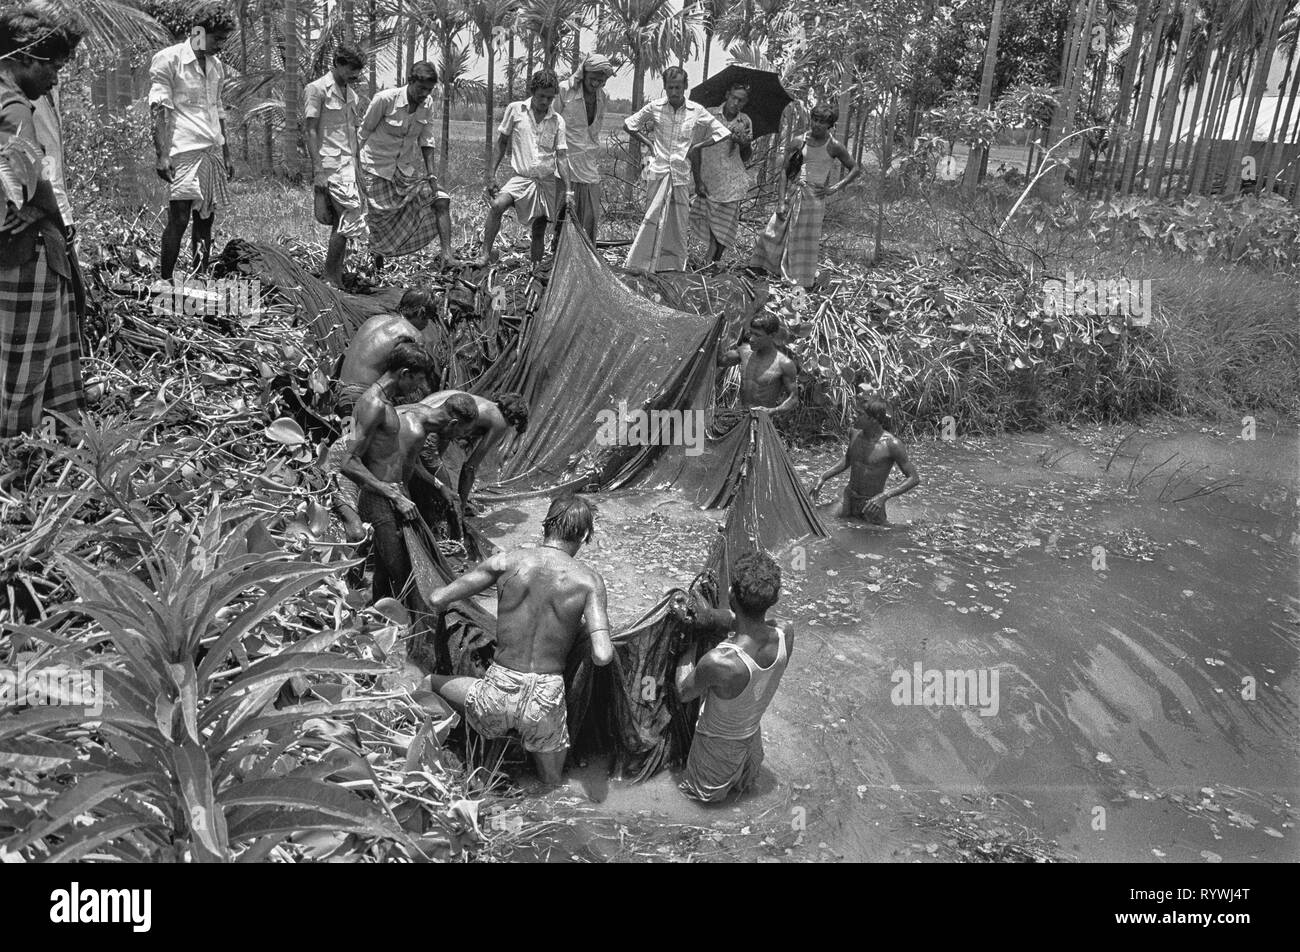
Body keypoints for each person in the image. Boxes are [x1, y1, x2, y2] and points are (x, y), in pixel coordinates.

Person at [427, 495, 614, 787]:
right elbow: (603, 655)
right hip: (545, 700)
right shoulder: (589, 581)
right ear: (585, 535)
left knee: (428, 683)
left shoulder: (506, 561)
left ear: (545, 525)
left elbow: (437, 598)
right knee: (552, 785)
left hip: (496, 692)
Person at [0, 4, 84, 438]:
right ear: (24, 58)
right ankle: (19, 455)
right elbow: (32, 181)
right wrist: (44, 207)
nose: (55, 77)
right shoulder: (14, 107)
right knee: (26, 364)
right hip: (22, 254)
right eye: (52, 65)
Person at [675, 551, 793, 803]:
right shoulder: (785, 634)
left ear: (730, 595)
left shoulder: (720, 662)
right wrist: (710, 617)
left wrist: (686, 647)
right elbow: (744, 623)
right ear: (773, 599)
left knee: (696, 811)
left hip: (715, 754)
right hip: (751, 746)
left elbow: (684, 692)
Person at [342, 388, 478, 602]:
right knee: (400, 570)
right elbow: (378, 470)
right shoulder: (412, 427)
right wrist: (398, 499)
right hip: (380, 497)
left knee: (385, 568)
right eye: (459, 434)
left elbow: (410, 463)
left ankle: (377, 614)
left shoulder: (422, 419)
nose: (456, 440)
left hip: (393, 496)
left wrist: (439, 485)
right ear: (452, 424)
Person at [149, 2, 235, 280]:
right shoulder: (169, 60)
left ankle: (199, 277)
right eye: (217, 39)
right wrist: (162, 155)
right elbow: (159, 109)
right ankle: (166, 280)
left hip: (210, 152)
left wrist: (227, 154)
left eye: (224, 39)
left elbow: (218, 109)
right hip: (183, 151)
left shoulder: (216, 67)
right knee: (179, 218)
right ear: (199, 32)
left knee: (205, 220)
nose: (220, 45)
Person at [623, 67, 732, 274]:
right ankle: (642, 264)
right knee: (652, 217)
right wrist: (649, 144)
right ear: (665, 87)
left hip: (681, 173)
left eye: (678, 87)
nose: (674, 92)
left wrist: (698, 146)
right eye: (670, 87)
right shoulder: (655, 107)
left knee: (678, 223)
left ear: (685, 87)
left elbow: (723, 132)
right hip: (657, 170)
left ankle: (672, 266)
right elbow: (629, 125)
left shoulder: (696, 110)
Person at [358, 62, 456, 271]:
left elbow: (426, 140)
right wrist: (352, 168)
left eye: (429, 90)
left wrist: (431, 175)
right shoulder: (385, 99)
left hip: (403, 170)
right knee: (378, 221)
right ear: (410, 81)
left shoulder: (427, 104)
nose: (425, 94)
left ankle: (447, 255)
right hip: (374, 167)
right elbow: (363, 133)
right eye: (421, 88)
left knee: (440, 200)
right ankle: (376, 264)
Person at [752, 103, 860, 288]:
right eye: (815, 119)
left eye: (822, 122)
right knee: (771, 233)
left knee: (803, 242)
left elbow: (855, 168)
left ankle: (800, 282)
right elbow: (785, 171)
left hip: (814, 201)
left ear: (830, 125)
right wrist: (781, 202)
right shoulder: (799, 141)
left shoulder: (834, 146)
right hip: (795, 193)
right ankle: (766, 272)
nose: (817, 125)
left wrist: (833, 188)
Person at [479, 70, 572, 267]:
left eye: (550, 97)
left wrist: (568, 190)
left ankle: (535, 267)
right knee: (497, 205)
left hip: (545, 181)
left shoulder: (557, 121)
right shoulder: (515, 110)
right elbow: (502, 142)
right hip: (521, 178)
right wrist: (491, 174)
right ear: (532, 91)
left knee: (539, 229)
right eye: (541, 96)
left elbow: (562, 158)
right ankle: (485, 253)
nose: (545, 101)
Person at [305, 44, 368, 287]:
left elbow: (352, 132)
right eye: (351, 69)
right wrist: (318, 171)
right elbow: (310, 130)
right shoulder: (317, 89)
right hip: (329, 164)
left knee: (342, 222)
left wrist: (359, 168)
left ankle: (335, 275)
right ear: (338, 64)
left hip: (348, 165)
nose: (354, 75)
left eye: (357, 71)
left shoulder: (352, 95)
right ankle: (331, 278)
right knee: (346, 219)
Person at [417, 390, 529, 515]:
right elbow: (469, 468)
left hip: (418, 415)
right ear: (514, 419)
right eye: (513, 425)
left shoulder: (484, 404)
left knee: (426, 472)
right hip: (431, 426)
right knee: (446, 492)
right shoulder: (500, 422)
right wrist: (462, 505)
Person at [810, 398, 919, 524]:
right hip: (848, 497)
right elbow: (849, 459)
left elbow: (914, 478)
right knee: (816, 517)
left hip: (871, 504)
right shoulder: (855, 434)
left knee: (877, 536)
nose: (854, 418)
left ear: (873, 419)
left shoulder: (892, 445)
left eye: (860, 415)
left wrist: (884, 496)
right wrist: (823, 477)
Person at [337, 287, 438, 409]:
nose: (426, 325)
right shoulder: (412, 334)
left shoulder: (373, 320)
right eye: (428, 319)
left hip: (340, 392)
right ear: (422, 312)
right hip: (364, 400)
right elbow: (409, 379)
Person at [553, 54, 616, 244]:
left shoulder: (603, 97)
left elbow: (595, 129)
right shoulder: (565, 90)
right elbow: (552, 123)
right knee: (564, 211)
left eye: (601, 80)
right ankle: (559, 252)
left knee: (590, 216)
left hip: (589, 161)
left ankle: (585, 252)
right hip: (565, 160)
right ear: (584, 74)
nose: (596, 84)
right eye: (593, 79)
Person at [689, 82, 753, 265]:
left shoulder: (745, 121)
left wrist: (744, 143)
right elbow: (695, 149)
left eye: (741, 100)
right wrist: (698, 180)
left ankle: (713, 260)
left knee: (725, 225)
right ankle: (712, 260)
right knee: (709, 220)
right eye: (733, 98)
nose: (736, 103)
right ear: (727, 95)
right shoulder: (708, 115)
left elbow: (747, 156)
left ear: (745, 103)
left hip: (732, 181)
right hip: (709, 178)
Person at [717, 312, 798, 417]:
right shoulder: (744, 352)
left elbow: (793, 399)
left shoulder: (784, 364)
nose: (751, 339)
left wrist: (773, 411)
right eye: (751, 333)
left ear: (772, 336)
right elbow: (720, 361)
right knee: (698, 425)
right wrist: (717, 331)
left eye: (758, 335)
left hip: (762, 422)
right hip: (740, 417)